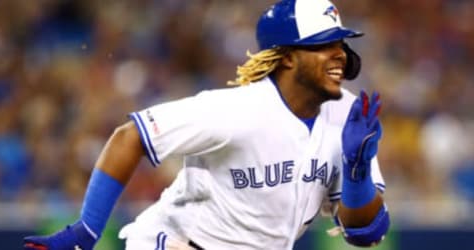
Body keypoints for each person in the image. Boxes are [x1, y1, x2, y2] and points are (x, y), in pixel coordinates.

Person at [23, 0, 389, 249]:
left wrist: (356, 172)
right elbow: (130, 135)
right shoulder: (236, 110)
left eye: (340, 42)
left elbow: (363, 231)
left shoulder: (349, 116)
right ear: (288, 58)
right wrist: (86, 231)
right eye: (323, 44)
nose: (339, 52)